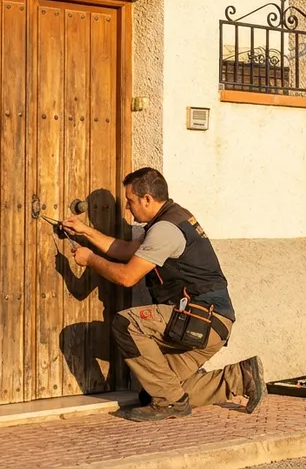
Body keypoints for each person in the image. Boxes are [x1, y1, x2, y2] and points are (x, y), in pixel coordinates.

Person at [62, 167, 265, 422]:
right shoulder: (171, 219)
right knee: (156, 391)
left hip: (201, 321)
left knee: (127, 324)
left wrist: (90, 259)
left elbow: (127, 277)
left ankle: (169, 404)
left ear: (147, 199)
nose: (127, 208)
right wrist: (86, 232)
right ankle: (240, 377)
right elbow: (125, 250)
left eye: (130, 201)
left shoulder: (165, 230)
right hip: (210, 322)